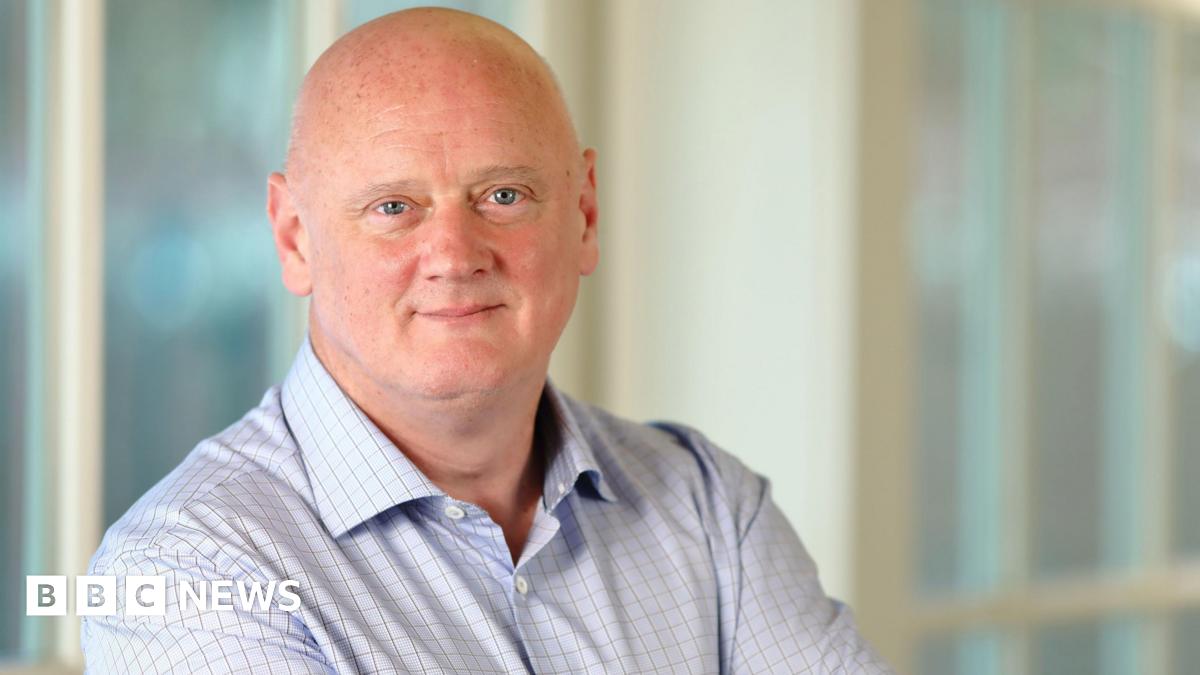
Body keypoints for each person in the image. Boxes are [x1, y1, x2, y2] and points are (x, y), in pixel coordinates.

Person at [82, 8, 890, 674]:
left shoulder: (708, 506)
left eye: (504, 194)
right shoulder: (184, 571)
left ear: (584, 215)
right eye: (394, 207)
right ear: (295, 239)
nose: (454, 254)